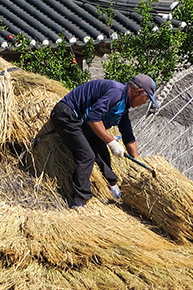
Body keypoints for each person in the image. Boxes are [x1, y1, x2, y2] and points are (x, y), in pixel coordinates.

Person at [49, 74, 158, 208]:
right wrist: (111, 141)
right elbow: (93, 118)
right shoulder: (116, 92)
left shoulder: (124, 104)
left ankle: (112, 186)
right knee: (87, 155)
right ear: (139, 92)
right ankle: (80, 201)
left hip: (82, 123)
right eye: (146, 98)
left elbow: (128, 135)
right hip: (67, 115)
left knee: (102, 152)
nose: (144, 102)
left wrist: (138, 162)